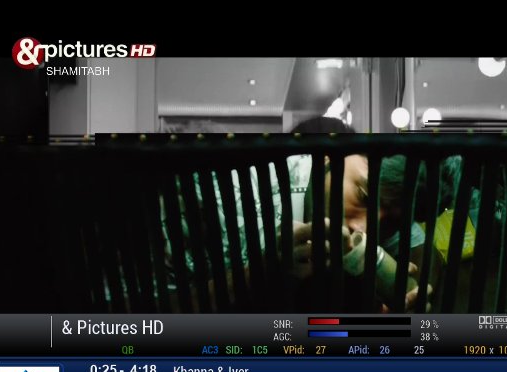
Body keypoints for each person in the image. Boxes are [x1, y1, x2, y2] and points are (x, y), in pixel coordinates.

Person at [161, 117, 429, 311]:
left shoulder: (375, 248)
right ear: (327, 158)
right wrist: (263, 272)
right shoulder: (221, 192)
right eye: (364, 196)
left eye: (388, 223)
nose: (362, 227)